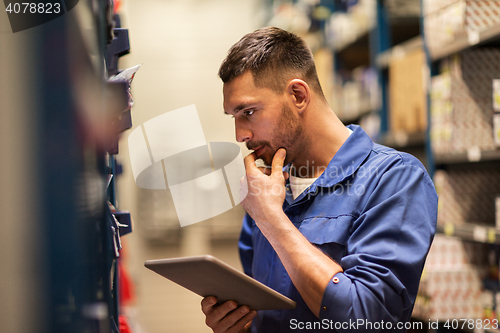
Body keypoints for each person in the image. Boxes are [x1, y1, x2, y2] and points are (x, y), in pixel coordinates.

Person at [201, 27, 438, 333]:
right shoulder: (266, 188)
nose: (240, 135)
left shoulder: (394, 180)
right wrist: (237, 325)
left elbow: (369, 319)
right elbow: (265, 315)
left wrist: (272, 219)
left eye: (249, 112)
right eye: (233, 116)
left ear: (298, 95)